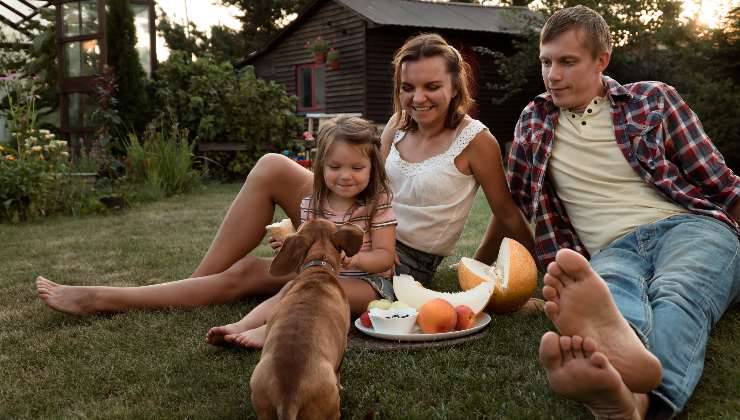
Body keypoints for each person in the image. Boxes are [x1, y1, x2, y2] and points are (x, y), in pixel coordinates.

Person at [36, 33, 534, 324]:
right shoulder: (396, 126)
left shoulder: (476, 141)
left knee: (252, 278)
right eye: (407, 87)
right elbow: (365, 188)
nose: (417, 98)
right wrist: (310, 230)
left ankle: (122, 297)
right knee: (274, 165)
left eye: (431, 87)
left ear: (455, 86)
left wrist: (482, 277)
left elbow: (506, 215)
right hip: (353, 226)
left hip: (399, 261)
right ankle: (177, 286)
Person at [475, 5, 740, 419]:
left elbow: (723, 185)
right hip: (609, 248)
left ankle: (643, 395)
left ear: (602, 60)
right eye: (546, 62)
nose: (553, 75)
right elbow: (515, 205)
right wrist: (480, 271)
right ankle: (627, 388)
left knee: (679, 291)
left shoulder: (653, 99)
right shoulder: (534, 120)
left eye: (567, 62)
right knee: (612, 292)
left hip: (690, 227)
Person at [207, 115, 397, 348]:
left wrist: (356, 259)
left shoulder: (378, 204)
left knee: (314, 294)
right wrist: (290, 249)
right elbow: (307, 260)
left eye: (357, 167)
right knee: (293, 287)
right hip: (320, 275)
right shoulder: (312, 204)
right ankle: (241, 324)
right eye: (335, 167)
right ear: (321, 166)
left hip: (370, 285)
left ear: (372, 168)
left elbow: (385, 256)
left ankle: (269, 330)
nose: (346, 176)